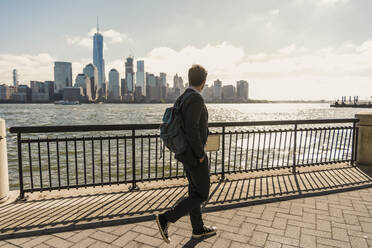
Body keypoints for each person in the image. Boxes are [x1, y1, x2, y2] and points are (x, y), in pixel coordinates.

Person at [156, 64, 217, 243]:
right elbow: (191, 128)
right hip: (193, 154)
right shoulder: (196, 99)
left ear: (190, 79)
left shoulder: (182, 97)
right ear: (204, 82)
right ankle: (166, 218)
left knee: (194, 191)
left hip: (184, 152)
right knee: (202, 194)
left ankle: (198, 229)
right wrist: (200, 154)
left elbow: (191, 125)